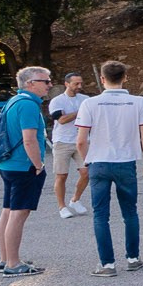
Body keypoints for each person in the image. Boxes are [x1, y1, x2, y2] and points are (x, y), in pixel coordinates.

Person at [75, 60, 143, 277]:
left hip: (99, 162)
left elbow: (81, 141)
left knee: (101, 215)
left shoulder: (89, 104)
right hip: (126, 162)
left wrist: (88, 161)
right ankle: (133, 258)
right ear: (125, 77)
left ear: (102, 79)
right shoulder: (138, 102)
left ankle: (107, 264)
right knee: (130, 212)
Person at [0, 67, 52, 276]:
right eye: (45, 81)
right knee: (19, 214)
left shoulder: (14, 101)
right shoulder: (28, 105)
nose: (49, 84)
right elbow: (29, 139)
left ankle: (6, 258)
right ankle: (13, 264)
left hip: (8, 165)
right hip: (23, 166)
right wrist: (38, 165)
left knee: (8, 211)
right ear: (29, 83)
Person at [48, 73, 89, 218]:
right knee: (62, 175)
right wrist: (79, 112)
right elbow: (62, 119)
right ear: (67, 84)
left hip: (81, 140)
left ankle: (75, 200)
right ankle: (62, 207)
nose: (79, 87)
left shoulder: (85, 100)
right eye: (76, 84)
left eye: (80, 83)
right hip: (62, 141)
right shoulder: (57, 101)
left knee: (87, 172)